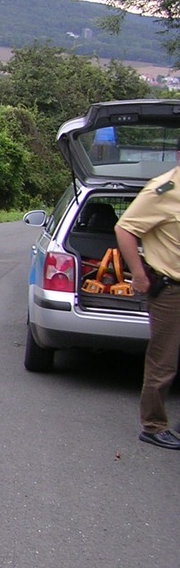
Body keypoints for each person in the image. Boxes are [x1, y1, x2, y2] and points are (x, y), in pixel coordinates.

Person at [115, 157, 180, 449]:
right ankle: (153, 426)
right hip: (171, 290)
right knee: (164, 360)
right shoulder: (163, 190)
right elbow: (125, 228)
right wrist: (139, 276)